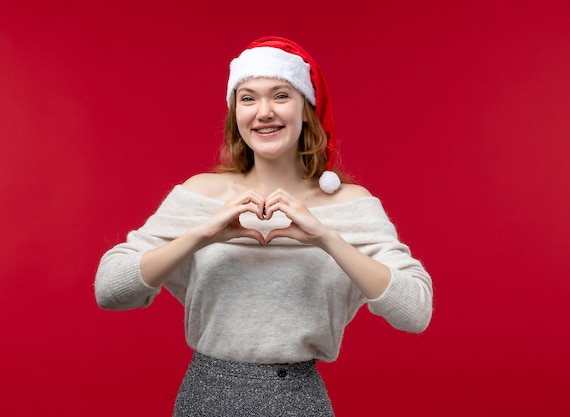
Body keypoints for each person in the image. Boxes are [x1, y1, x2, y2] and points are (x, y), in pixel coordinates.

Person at [94, 36, 433, 417]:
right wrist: (202, 235)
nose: (264, 111)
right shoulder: (200, 194)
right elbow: (109, 290)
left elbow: (415, 311)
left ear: (306, 109)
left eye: (281, 95)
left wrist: (326, 238)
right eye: (249, 98)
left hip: (299, 400)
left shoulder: (349, 205)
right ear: (235, 114)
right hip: (206, 396)